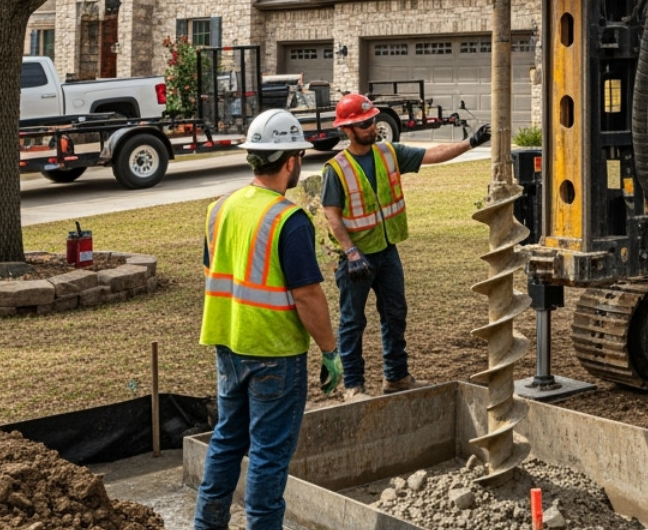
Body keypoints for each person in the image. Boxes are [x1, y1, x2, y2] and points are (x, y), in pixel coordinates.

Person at [194, 109, 342, 530]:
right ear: (291, 161)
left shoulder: (218, 209)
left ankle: (207, 525)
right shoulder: (289, 220)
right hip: (275, 353)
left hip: (229, 345)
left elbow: (215, 271)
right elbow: (308, 296)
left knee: (226, 440)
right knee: (268, 454)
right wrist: (331, 352)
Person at [320, 92, 491, 397]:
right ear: (346, 130)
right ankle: (354, 386)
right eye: (364, 124)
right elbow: (332, 215)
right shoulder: (337, 169)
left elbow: (432, 154)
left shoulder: (388, 153)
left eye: (372, 121)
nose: (372, 127)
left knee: (395, 314)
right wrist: (351, 251)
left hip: (387, 251)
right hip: (356, 260)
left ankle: (396, 377)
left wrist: (470, 143)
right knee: (352, 322)